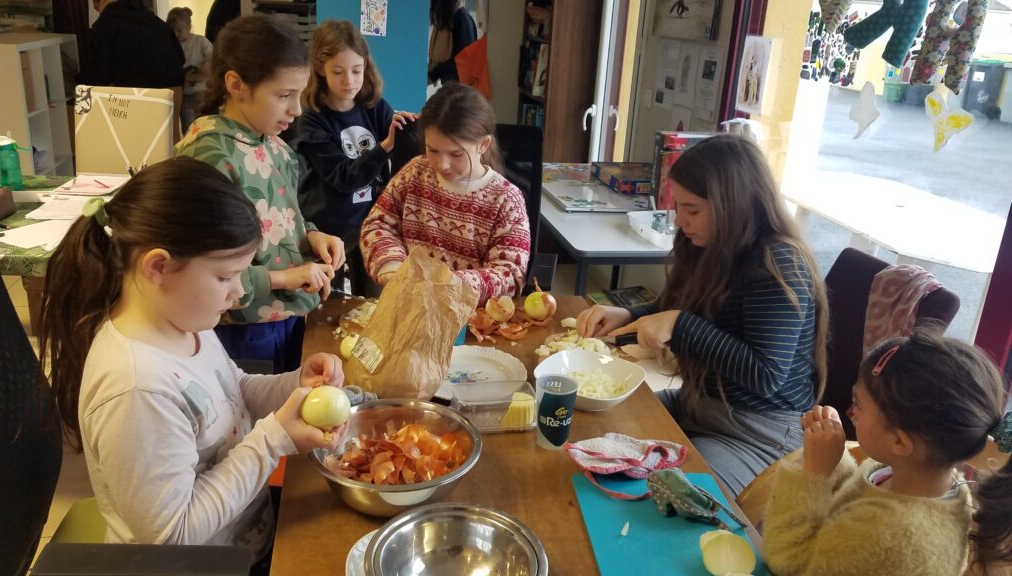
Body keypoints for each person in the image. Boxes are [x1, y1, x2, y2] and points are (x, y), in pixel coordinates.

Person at [37, 158, 346, 565]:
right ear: (158, 267)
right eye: (225, 277)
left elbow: (234, 390)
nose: (239, 292)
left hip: (244, 543)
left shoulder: (185, 322)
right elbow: (172, 534)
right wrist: (272, 441)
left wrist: (294, 385)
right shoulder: (136, 388)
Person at [577, 135, 829, 498]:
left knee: (670, 499)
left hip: (758, 431)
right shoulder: (713, 245)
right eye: (678, 207)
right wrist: (628, 314)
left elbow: (766, 375)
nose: (681, 221)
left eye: (692, 210)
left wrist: (679, 325)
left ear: (733, 206)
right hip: (699, 403)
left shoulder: (779, 264)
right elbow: (680, 308)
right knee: (597, 424)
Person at [762, 328, 1012, 575]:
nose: (852, 411)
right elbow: (853, 501)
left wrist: (813, 473)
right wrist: (831, 458)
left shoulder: (889, 535)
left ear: (900, 442)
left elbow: (788, 561)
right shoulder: (913, 475)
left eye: (859, 404)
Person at [175, 15, 345, 373]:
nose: (297, 110)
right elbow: (201, 267)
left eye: (299, 94)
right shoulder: (210, 156)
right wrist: (283, 278)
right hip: (244, 329)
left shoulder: (275, 146)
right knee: (253, 404)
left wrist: (312, 235)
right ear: (236, 84)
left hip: (289, 316)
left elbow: (280, 216)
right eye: (284, 95)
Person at [360, 82, 530, 307]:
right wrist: (392, 268)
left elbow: (509, 273)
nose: (443, 164)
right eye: (433, 150)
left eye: (456, 154)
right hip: (411, 307)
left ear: (483, 145)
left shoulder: (506, 200)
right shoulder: (415, 172)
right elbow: (377, 224)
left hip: (470, 316)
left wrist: (447, 285)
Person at [296, 20, 418, 296]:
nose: (349, 81)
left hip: (368, 223)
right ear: (320, 69)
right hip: (327, 228)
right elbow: (344, 177)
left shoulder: (375, 107)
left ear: (366, 66)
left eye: (356, 70)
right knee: (327, 300)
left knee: (374, 300)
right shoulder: (311, 120)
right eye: (338, 72)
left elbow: (403, 150)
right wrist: (385, 146)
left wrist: (409, 128)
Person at [79, 0, 185, 89]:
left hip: (134, 102)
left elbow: (98, 79)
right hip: (171, 101)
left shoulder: (105, 26)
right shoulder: (159, 24)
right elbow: (181, 60)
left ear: (96, 3)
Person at [166, 7, 212, 131]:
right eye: (172, 31)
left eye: (179, 30)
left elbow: (213, 57)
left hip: (202, 93)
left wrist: (205, 67)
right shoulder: (170, 45)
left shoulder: (200, 41)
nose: (176, 34)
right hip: (184, 95)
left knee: (206, 125)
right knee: (189, 128)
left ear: (189, 26)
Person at [428, 0, 478, 85]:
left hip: (460, 87)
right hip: (451, 84)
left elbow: (464, 59)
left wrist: (435, 73)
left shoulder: (462, 18)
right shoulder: (447, 18)